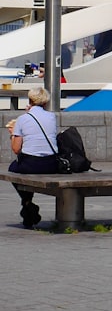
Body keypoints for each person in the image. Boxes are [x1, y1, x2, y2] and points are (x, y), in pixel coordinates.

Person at [7, 87, 60, 228]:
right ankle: (27, 207)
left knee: (13, 168)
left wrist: (13, 133)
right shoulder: (52, 117)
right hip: (51, 163)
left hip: (31, 163)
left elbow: (16, 149)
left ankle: (27, 203)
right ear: (45, 102)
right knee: (23, 168)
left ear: (30, 100)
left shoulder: (23, 119)